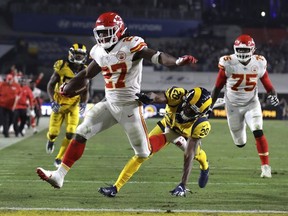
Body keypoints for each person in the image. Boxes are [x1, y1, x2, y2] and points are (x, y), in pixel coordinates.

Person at [36, 12, 198, 193]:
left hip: (129, 106)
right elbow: (87, 74)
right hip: (109, 103)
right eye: (100, 32)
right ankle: (59, 175)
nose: (103, 36)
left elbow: (158, 56)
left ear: (119, 30)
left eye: (107, 32)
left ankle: (173, 136)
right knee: (81, 132)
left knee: (144, 152)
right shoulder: (98, 50)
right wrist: (68, 87)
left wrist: (176, 61)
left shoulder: (131, 44)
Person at [101, 86, 211, 197]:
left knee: (196, 154)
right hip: (167, 125)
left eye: (192, 111)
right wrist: (148, 97)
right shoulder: (178, 95)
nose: (187, 110)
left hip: (186, 134)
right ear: (185, 99)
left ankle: (205, 166)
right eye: (188, 105)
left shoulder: (202, 125)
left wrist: (183, 183)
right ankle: (115, 187)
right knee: (143, 153)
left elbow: (189, 154)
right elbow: (157, 96)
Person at [210, 34, 279, 178]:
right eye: (239, 50)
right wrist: (210, 105)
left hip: (251, 103)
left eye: (244, 50)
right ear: (235, 49)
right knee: (240, 143)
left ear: (252, 49)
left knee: (258, 130)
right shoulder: (228, 62)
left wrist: (274, 96)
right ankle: (240, 132)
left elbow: (268, 85)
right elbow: (217, 87)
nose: (241, 53)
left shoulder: (259, 63)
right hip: (232, 105)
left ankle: (265, 167)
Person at [45, 43, 89, 167]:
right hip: (59, 104)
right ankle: (51, 140)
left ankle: (59, 157)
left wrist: (84, 103)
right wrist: (52, 101)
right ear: (71, 54)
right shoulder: (62, 66)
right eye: (77, 55)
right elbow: (50, 84)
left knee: (71, 132)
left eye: (82, 55)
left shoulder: (85, 70)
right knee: (53, 132)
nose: (79, 57)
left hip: (73, 105)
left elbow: (86, 90)